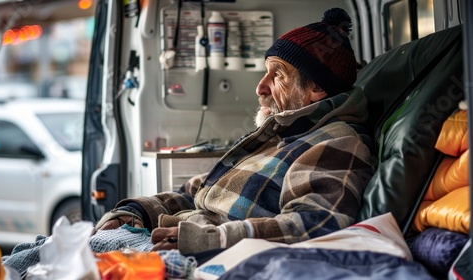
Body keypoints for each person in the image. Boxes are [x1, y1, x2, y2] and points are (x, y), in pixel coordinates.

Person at [94, 7, 375, 255]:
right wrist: (135, 212)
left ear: (317, 88)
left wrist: (210, 240)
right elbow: (199, 190)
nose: (260, 87)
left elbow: (316, 225)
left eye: (277, 74)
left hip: (210, 256)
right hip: (175, 238)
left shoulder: (338, 143)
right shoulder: (280, 133)